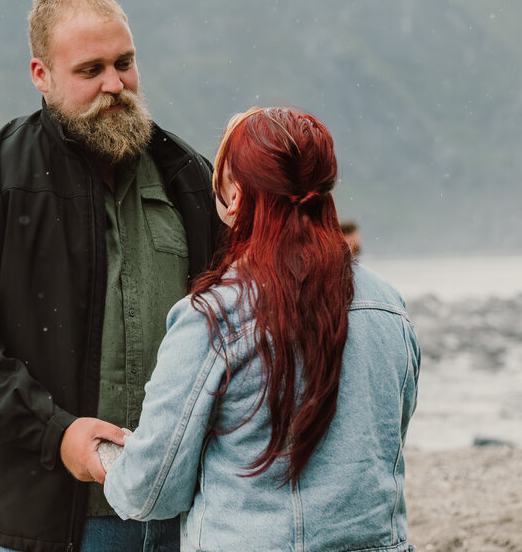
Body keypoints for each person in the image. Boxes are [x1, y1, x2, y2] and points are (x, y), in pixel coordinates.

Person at [0, 0, 222, 552]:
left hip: (174, 515)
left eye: (124, 63)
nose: (114, 85)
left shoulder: (188, 177)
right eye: (90, 70)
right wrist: (58, 434)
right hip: (36, 520)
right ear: (42, 77)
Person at [104, 107, 420, 552]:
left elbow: (151, 492)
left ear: (234, 198)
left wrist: (104, 459)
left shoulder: (212, 318)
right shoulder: (390, 307)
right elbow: (384, 442)